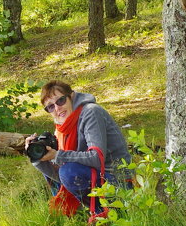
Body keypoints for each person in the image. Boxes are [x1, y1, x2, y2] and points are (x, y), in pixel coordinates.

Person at [28, 80, 131, 217]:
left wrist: (57, 155)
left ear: (71, 96)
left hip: (119, 181)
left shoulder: (90, 112)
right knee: (61, 168)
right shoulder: (62, 128)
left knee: (68, 170)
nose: (57, 109)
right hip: (99, 179)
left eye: (60, 101)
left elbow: (96, 158)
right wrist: (38, 159)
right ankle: (90, 212)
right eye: (51, 107)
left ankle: (108, 212)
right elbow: (59, 176)